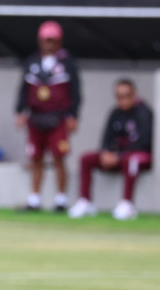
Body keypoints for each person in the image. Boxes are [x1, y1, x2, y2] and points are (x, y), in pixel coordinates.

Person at [15, 20, 81, 212]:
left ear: (59, 41)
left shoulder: (68, 63)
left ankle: (60, 200)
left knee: (59, 157)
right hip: (35, 118)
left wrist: (73, 115)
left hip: (58, 118)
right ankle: (34, 199)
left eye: (52, 40)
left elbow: (75, 92)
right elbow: (23, 90)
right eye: (46, 40)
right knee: (35, 158)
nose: (49, 44)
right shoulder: (32, 62)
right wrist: (20, 112)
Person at [69, 79, 153, 220]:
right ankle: (85, 201)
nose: (123, 100)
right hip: (116, 157)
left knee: (131, 160)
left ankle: (127, 203)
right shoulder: (115, 112)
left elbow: (144, 142)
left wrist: (119, 156)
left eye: (127, 96)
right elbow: (106, 138)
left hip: (136, 157)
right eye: (119, 97)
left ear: (134, 95)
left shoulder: (144, 113)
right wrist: (106, 153)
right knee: (86, 158)